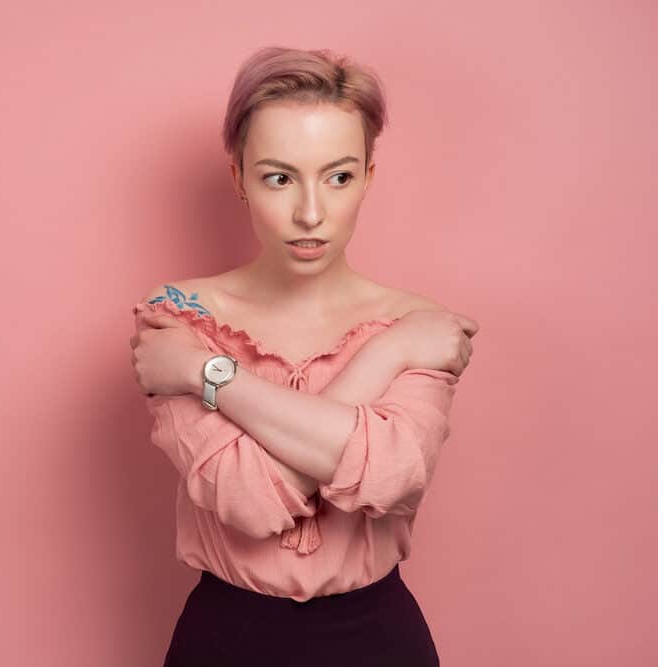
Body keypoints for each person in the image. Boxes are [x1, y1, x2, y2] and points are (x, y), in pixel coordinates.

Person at [128, 46, 480, 666]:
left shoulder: (420, 324)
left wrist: (204, 374)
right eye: (279, 176)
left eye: (339, 176)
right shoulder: (179, 312)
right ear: (237, 176)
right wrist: (388, 358)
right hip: (225, 638)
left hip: (378, 639)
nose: (310, 212)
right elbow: (250, 502)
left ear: (370, 175)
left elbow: (394, 475)